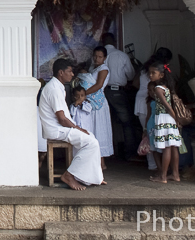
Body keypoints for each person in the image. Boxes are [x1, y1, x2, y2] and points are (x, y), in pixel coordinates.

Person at [38, 58, 104, 190]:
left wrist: (79, 129)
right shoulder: (54, 89)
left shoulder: (57, 87)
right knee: (91, 143)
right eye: (70, 71)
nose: (72, 74)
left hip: (60, 128)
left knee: (91, 137)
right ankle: (69, 175)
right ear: (61, 73)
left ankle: (93, 177)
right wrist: (78, 128)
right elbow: (62, 119)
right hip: (56, 130)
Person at [134, 48, 172, 171]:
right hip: (151, 103)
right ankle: (156, 166)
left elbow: (135, 83)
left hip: (141, 101)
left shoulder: (145, 68)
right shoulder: (158, 73)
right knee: (154, 135)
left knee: (149, 134)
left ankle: (153, 165)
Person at [101, 33, 136, 161]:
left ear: (102, 42)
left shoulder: (99, 56)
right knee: (126, 123)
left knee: (105, 122)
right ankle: (129, 153)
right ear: (115, 41)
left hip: (103, 92)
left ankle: (107, 153)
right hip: (118, 92)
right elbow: (131, 75)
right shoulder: (122, 55)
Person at [147, 60, 183, 183]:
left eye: (153, 73)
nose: (150, 75)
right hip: (169, 119)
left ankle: (163, 176)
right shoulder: (166, 88)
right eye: (150, 73)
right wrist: (175, 119)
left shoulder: (158, 89)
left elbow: (167, 106)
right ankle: (175, 174)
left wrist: (176, 118)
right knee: (173, 147)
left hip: (164, 118)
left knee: (167, 147)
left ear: (161, 75)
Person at [84, 46, 113, 168]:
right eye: (95, 56)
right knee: (93, 129)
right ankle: (95, 161)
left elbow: (99, 85)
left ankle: (101, 163)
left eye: (100, 57)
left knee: (99, 130)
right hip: (91, 101)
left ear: (104, 58)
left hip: (99, 102)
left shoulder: (104, 69)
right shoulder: (92, 68)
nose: (97, 59)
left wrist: (83, 94)